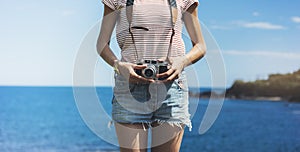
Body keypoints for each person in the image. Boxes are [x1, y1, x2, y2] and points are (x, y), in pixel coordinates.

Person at [97, 0, 206, 151]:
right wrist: (118, 65)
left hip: (172, 88)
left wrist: (182, 62)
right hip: (129, 88)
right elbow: (102, 44)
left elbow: (200, 46)